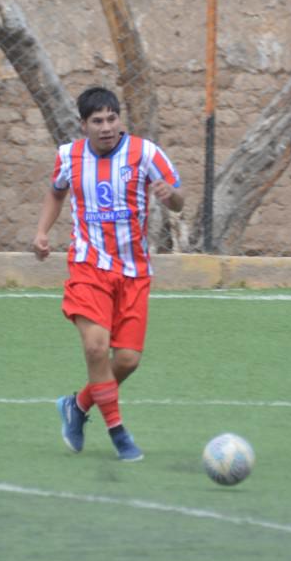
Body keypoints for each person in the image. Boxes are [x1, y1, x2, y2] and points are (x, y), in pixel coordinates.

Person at [33, 86, 184, 461]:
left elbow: (180, 199)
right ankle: (119, 433)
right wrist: (41, 232)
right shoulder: (68, 156)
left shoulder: (145, 153)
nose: (106, 127)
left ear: (120, 119)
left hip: (133, 272)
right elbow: (56, 192)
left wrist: (170, 196)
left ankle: (78, 405)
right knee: (96, 346)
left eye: (112, 118)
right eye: (97, 121)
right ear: (83, 125)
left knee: (127, 360)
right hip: (89, 266)